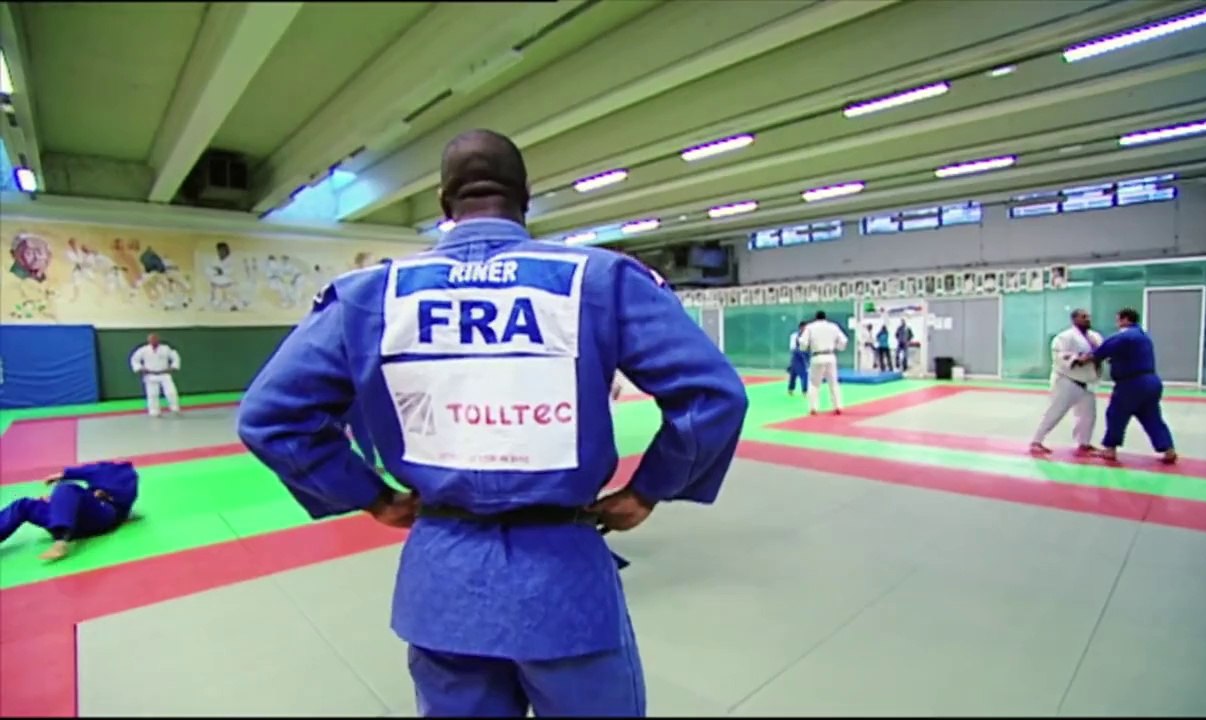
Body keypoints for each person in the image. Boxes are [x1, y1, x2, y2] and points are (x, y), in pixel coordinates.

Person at [237, 129, 749, 717]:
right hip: (564, 587)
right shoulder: (601, 280)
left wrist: (372, 497)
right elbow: (713, 395)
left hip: (444, 585)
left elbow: (271, 415)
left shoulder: (370, 296)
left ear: (443, 203)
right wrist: (648, 489)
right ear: (524, 198)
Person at [1080, 308, 1177, 464]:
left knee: (1116, 414)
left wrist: (1082, 359)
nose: (1117, 323)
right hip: (1152, 382)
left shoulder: (1124, 336)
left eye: (1118, 319)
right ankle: (1168, 449)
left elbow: (1101, 352)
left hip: (1131, 383)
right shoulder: (1144, 336)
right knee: (1152, 417)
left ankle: (1110, 449)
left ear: (1125, 320)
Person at [0, 461, 140, 561]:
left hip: (99, 516)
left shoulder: (124, 474)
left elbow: (119, 503)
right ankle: (61, 527)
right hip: (73, 518)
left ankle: (61, 540)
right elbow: (84, 473)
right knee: (24, 505)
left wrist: (112, 504)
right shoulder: (107, 473)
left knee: (66, 488)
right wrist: (57, 501)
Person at [1030, 309, 1103, 456]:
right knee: (1055, 412)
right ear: (1074, 319)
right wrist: (1080, 359)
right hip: (1066, 381)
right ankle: (1036, 441)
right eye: (1083, 317)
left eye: (1088, 317)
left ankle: (1084, 443)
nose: (1087, 319)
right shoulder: (1064, 337)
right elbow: (1060, 357)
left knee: (1088, 416)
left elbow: (1103, 352)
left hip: (1087, 382)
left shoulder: (1095, 337)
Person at [799, 310, 848, 415]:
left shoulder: (810, 327)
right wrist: (838, 347)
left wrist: (804, 348)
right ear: (825, 317)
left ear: (816, 317)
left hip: (817, 356)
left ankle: (813, 408)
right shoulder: (833, 326)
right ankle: (838, 406)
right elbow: (844, 340)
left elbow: (803, 342)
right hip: (830, 356)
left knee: (814, 384)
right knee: (833, 383)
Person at [130, 333, 182, 417]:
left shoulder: (166, 348)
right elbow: (134, 359)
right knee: (152, 394)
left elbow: (175, 357)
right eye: (151, 339)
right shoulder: (143, 350)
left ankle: (175, 408)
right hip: (150, 374)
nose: (153, 341)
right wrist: (140, 368)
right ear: (148, 340)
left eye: (155, 339)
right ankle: (154, 411)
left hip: (164, 373)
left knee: (171, 392)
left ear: (158, 340)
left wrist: (173, 367)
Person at [786, 320, 809, 396]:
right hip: (796, 355)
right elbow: (792, 347)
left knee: (804, 374)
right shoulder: (794, 335)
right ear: (801, 327)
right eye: (804, 327)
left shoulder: (808, 336)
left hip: (804, 356)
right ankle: (791, 389)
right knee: (793, 374)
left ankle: (804, 390)